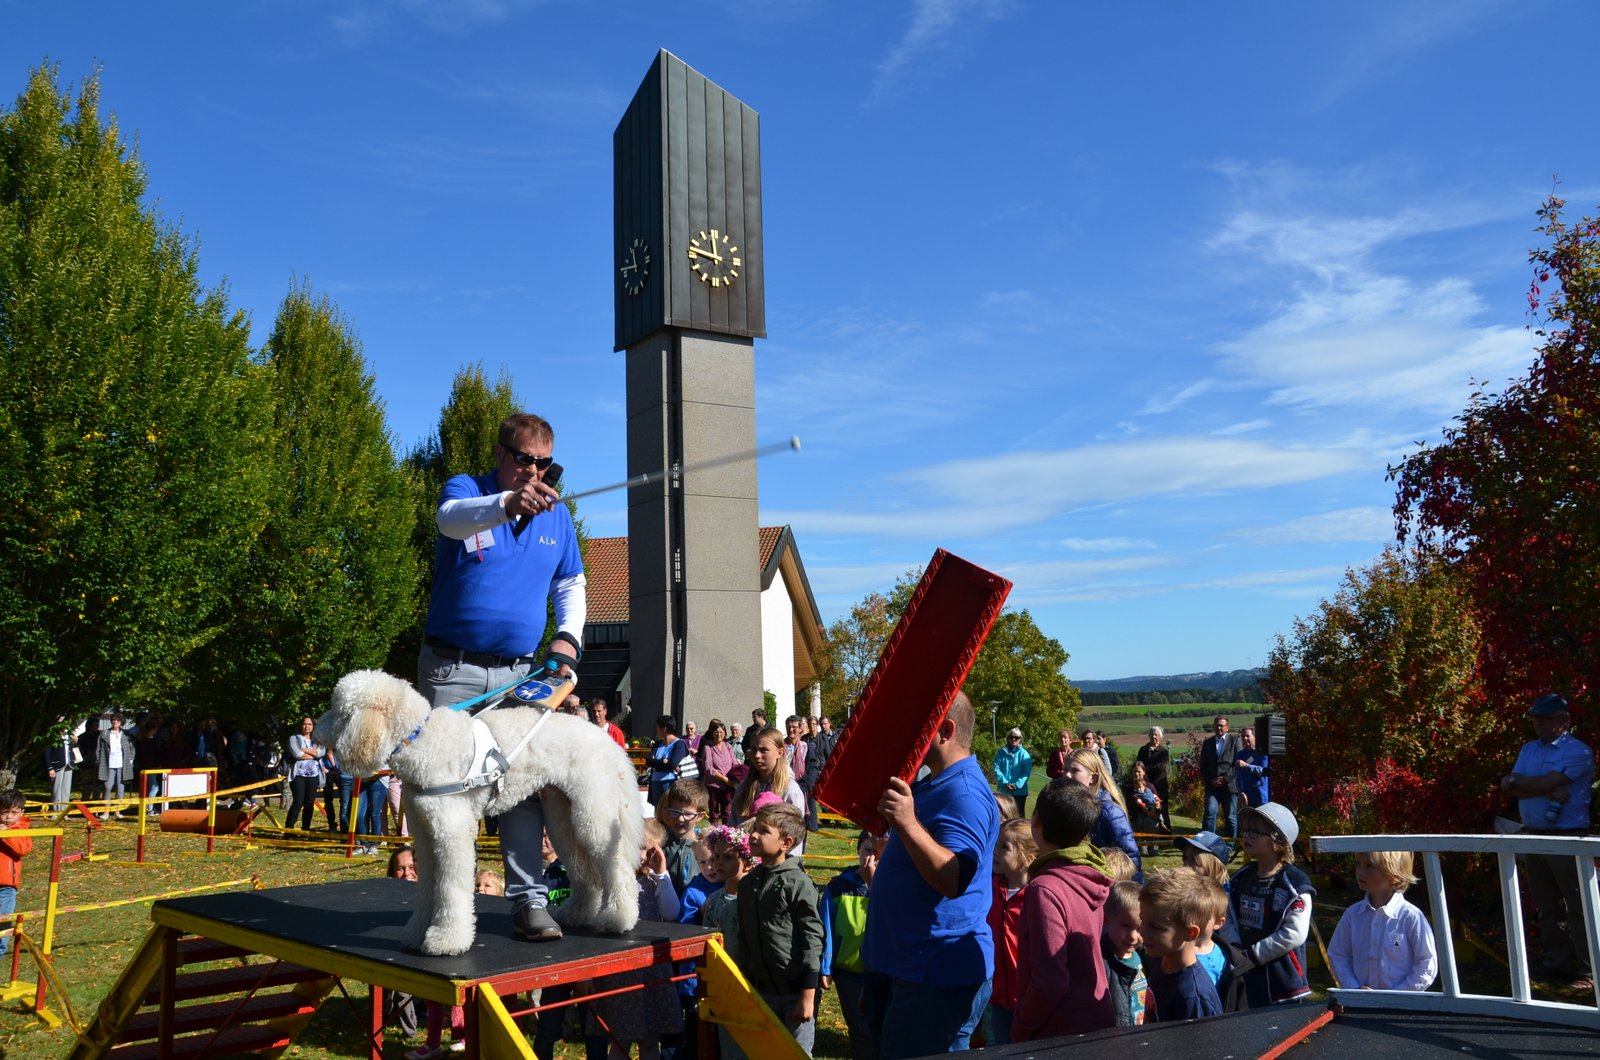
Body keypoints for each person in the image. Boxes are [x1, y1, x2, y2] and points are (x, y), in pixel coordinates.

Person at [415, 412, 584, 945]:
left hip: (518, 674)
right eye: (523, 460)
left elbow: (571, 582)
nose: (534, 471)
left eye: (544, 463)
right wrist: (506, 504)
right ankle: (443, 907)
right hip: (450, 668)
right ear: (500, 456)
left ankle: (529, 901)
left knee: (518, 788)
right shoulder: (469, 490)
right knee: (441, 789)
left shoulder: (557, 516)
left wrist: (568, 638)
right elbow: (450, 519)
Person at [863, 691, 999, 1058]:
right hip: (913, 969)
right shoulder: (936, 783)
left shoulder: (964, 794)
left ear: (946, 729)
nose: (909, 735)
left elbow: (955, 877)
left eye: (919, 727)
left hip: (935, 977)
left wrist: (906, 822)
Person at [1499, 692, 1593, 984]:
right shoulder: (1529, 749)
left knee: (1579, 904)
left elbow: (1547, 782)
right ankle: (1557, 963)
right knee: (1547, 904)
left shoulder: (1577, 751)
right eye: (1536, 717)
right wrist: (1533, 787)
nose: (1538, 723)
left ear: (1563, 720)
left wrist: (1522, 784)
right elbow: (1508, 787)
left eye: (1545, 717)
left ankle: (1589, 967)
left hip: (1568, 837)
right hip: (1534, 834)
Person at [1012, 778, 1114, 1041]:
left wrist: (1021, 1027)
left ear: (1036, 822)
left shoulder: (1045, 889)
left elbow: (1050, 980)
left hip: (1058, 1030)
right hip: (1094, 1019)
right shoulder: (1088, 872)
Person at [586, 820, 683, 1058]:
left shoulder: (654, 882)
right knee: (621, 1040)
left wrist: (662, 873)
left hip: (651, 968)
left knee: (650, 1041)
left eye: (647, 850)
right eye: (635, 846)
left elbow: (671, 913)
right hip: (620, 970)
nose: (640, 855)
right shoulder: (608, 882)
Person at [735, 802, 823, 1055]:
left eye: (763, 831)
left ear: (786, 843)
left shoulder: (797, 882)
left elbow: (812, 937)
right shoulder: (748, 883)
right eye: (755, 827)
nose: (753, 834)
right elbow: (744, 935)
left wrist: (808, 994)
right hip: (760, 990)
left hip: (794, 992)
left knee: (794, 1053)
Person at [1230, 802, 1315, 1007]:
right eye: (1246, 830)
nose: (1247, 836)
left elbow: (1294, 933)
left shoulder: (1294, 884)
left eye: (1255, 832)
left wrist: (1252, 956)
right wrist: (1234, 949)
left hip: (1282, 983)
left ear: (1277, 840)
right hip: (1244, 974)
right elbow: (1228, 917)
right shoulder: (1240, 878)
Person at [1327, 849, 1438, 991]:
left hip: (1401, 1008)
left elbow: (1427, 963)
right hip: (1360, 1005)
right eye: (1358, 864)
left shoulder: (1411, 917)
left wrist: (1398, 994)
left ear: (1394, 875)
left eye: (1369, 866)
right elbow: (1338, 955)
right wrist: (1354, 988)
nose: (1360, 872)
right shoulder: (1353, 915)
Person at [820, 832, 877, 1060]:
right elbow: (826, 928)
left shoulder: (894, 887)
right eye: (868, 850)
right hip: (849, 972)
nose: (873, 857)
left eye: (880, 852)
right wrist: (826, 966)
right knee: (858, 1027)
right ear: (857, 851)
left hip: (883, 970)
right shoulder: (838, 887)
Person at [1140, 869, 1223, 1021]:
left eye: (1155, 927)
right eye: (1142, 921)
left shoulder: (1194, 997)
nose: (1143, 931)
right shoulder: (1161, 962)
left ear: (1190, 933)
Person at [984, 817, 1036, 1045]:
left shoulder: (1036, 896)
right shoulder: (991, 888)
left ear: (1028, 858)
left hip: (1027, 999)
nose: (995, 852)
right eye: (996, 844)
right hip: (995, 997)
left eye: (1004, 847)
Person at [1062, 748, 1142, 880]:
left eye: (1074, 770)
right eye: (1065, 770)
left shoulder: (1109, 811)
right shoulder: (1069, 808)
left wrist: (1133, 894)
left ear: (1092, 778)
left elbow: (1131, 858)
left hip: (1109, 886)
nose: (1067, 775)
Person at [731, 727, 808, 855]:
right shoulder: (743, 788)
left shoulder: (790, 790)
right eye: (754, 750)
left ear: (780, 753)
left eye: (764, 750)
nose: (757, 755)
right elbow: (733, 827)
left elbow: (795, 837)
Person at [1102, 880, 1148, 1026]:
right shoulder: (1101, 963)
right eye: (1126, 926)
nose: (1133, 936)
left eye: (1139, 928)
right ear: (1106, 920)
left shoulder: (1147, 956)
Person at [0, 791, 33, 957]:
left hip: (6, 888)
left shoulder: (22, 829)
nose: (8, 817)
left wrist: (6, 835)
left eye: (13, 813)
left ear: (21, 813)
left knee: (2, 925)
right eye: (5, 812)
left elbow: (23, 849)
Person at [1200, 717, 1240, 837]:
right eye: (1217, 725)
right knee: (1210, 814)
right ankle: (1208, 842)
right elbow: (1203, 765)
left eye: (1221, 725)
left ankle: (1230, 844)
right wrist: (1211, 780)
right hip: (1212, 786)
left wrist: (1225, 779)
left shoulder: (1235, 741)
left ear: (1228, 727)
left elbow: (1237, 764)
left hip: (1229, 785)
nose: (1219, 728)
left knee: (1230, 817)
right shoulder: (1207, 743)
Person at [697, 719, 740, 824]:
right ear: (712, 733)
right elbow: (708, 768)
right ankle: (714, 836)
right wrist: (724, 779)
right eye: (716, 732)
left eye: (721, 732)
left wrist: (733, 779)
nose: (719, 734)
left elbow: (734, 763)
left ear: (725, 733)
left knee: (727, 812)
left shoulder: (728, 746)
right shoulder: (708, 748)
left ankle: (727, 835)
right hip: (714, 785)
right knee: (714, 813)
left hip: (729, 785)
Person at [286, 717, 325, 831]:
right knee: (298, 801)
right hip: (298, 775)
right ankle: (289, 829)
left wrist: (305, 750)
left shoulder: (318, 740)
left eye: (310, 724)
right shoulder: (294, 738)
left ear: (313, 726)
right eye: (304, 724)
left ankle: (306, 829)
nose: (307, 726)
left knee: (309, 803)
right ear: (301, 725)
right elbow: (297, 754)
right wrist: (313, 754)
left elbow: (321, 753)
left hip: (314, 775)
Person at [646, 716, 691, 807]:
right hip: (655, 782)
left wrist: (657, 764)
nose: (656, 729)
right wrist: (663, 761)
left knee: (669, 810)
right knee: (658, 811)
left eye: (658, 727)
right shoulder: (658, 744)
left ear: (664, 728)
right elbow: (648, 761)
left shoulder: (679, 744)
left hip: (671, 782)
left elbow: (672, 764)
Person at [97, 714, 136, 815]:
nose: (115, 722)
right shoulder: (104, 733)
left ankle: (117, 811)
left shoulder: (126, 734)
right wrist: (98, 762)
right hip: (107, 763)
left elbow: (132, 749)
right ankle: (106, 811)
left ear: (121, 722)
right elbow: (98, 749)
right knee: (107, 787)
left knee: (120, 788)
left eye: (117, 721)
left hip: (122, 764)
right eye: (113, 720)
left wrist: (130, 760)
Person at [1123, 759, 1164, 853]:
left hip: (1149, 817)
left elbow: (1158, 802)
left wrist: (1157, 806)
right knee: (1139, 850)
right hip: (1132, 818)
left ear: (1144, 772)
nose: (1136, 774)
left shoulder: (1150, 786)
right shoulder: (1127, 787)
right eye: (1134, 772)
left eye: (1139, 772)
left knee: (1149, 822)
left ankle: (1153, 849)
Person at [1136, 726, 1171, 832]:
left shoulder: (1164, 752)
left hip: (1160, 785)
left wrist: (1145, 769)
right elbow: (1138, 765)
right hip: (1145, 785)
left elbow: (1160, 768)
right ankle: (1148, 833)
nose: (1153, 736)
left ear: (1160, 737)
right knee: (1145, 809)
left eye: (1156, 734)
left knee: (1162, 809)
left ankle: (1166, 836)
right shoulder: (1143, 750)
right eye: (1151, 734)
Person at [993, 728, 1033, 819]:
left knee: (1019, 818)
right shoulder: (1000, 753)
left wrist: (1017, 785)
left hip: (1020, 792)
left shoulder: (1024, 754)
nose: (1014, 739)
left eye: (1016, 737)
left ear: (1020, 739)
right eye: (1011, 737)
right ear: (1008, 738)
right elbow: (997, 769)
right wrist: (1005, 782)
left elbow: (1026, 772)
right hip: (1004, 791)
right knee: (1003, 817)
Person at [1233, 726, 1269, 810]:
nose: (1244, 739)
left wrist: (1246, 765)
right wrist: (1241, 792)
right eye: (1242, 737)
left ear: (1254, 737)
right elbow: (1238, 776)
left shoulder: (1262, 753)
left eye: (1247, 736)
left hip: (1260, 794)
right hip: (1246, 797)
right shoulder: (1240, 755)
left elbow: (1263, 771)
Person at [45, 725, 78, 812]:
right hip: (57, 764)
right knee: (56, 789)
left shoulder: (70, 734)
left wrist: (75, 741)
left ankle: (64, 811)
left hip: (69, 764)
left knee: (66, 789)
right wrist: (50, 768)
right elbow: (47, 752)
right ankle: (56, 811)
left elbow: (73, 749)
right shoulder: (53, 735)